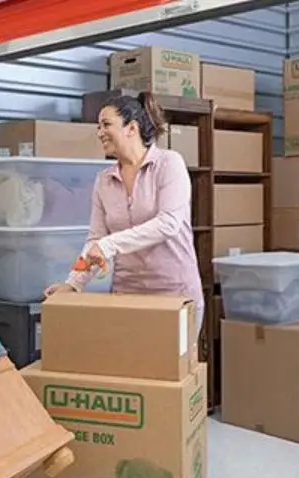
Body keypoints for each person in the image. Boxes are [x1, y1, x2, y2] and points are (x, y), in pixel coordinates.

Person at [45, 92, 205, 335]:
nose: (99, 132)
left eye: (106, 124)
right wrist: (73, 284)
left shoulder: (169, 164)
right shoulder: (104, 181)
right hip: (127, 295)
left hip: (175, 295)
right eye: (98, 126)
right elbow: (94, 240)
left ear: (131, 128)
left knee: (172, 372)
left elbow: (168, 223)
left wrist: (109, 245)